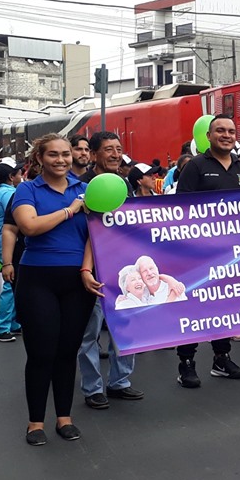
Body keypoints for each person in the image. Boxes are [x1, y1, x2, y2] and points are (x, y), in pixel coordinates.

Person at [12, 133, 100, 445]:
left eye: (66, 154)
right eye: (53, 154)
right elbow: (29, 226)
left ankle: (65, 418)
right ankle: (35, 422)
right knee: (41, 353)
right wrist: (70, 210)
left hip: (77, 281)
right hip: (37, 279)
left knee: (67, 351)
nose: (61, 160)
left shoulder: (86, 190)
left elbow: (96, 235)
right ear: (40, 158)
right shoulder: (27, 189)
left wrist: (86, 269)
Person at [175, 115, 240, 386]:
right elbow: (181, 210)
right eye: (220, 130)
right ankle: (186, 362)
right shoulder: (195, 166)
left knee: (224, 305)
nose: (226, 135)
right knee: (194, 306)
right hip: (199, 253)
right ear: (208, 136)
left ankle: (222, 358)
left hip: (232, 253)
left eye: (231, 131)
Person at [77, 131, 144, 409]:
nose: (116, 154)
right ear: (93, 155)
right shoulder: (80, 185)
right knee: (89, 333)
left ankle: (120, 382)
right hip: (92, 269)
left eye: (119, 149)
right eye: (108, 149)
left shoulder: (125, 183)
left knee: (126, 327)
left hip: (123, 266)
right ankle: (93, 388)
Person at [0, 161, 23, 342]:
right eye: (19, 173)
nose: (21, 176)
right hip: (9, 240)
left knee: (15, 283)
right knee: (10, 285)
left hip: (2, 238)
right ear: (11, 177)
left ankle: (14, 323)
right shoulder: (10, 193)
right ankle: (2, 327)